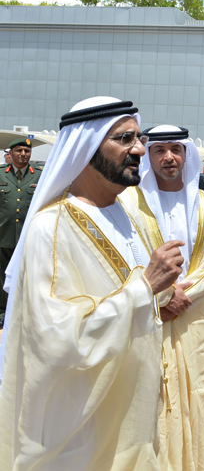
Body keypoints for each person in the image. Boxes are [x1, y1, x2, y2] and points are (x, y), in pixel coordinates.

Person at [0, 97, 184, 469]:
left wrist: (160, 287)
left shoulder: (124, 215)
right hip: (83, 431)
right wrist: (145, 287)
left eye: (138, 138)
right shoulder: (51, 228)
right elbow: (55, 336)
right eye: (124, 139)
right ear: (85, 146)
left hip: (132, 415)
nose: (139, 149)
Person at [118, 125, 204, 471]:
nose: (169, 157)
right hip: (147, 318)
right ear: (147, 155)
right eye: (159, 150)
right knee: (148, 402)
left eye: (176, 150)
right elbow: (125, 258)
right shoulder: (128, 204)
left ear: (186, 154)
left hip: (191, 323)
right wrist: (162, 296)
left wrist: (179, 296)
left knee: (195, 401)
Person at [0, 137, 41, 325]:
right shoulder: (1, 174)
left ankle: (22, 312)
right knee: (2, 275)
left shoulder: (39, 176)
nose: (23, 154)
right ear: (10, 153)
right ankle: (2, 312)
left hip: (28, 236)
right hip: (4, 234)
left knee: (27, 274)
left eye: (27, 151)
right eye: (19, 151)